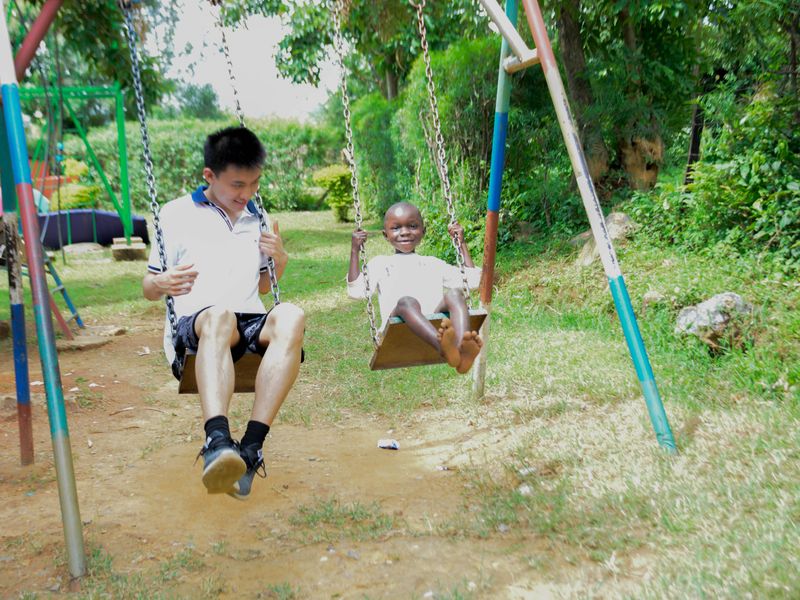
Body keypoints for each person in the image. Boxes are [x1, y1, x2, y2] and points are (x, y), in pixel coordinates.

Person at [142, 126, 305, 499]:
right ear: (210, 177)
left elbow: (265, 287)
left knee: (292, 315)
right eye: (236, 185)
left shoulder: (256, 216)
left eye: (254, 184)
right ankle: (217, 441)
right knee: (219, 315)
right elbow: (149, 288)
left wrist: (280, 258)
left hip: (246, 321)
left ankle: (249, 449)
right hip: (199, 325)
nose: (246, 194)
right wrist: (163, 282)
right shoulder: (175, 215)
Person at [347, 202, 482, 373]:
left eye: (412, 226)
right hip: (397, 330)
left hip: (434, 323)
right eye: (396, 228)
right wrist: (354, 250)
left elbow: (472, 282)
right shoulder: (381, 264)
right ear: (385, 235)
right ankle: (442, 347)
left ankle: (461, 350)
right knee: (407, 302)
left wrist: (461, 244)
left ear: (423, 231)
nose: (404, 232)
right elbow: (356, 291)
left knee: (455, 294)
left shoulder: (433, 263)